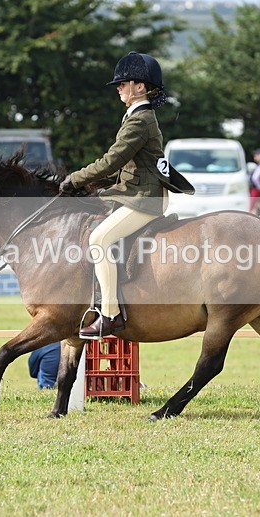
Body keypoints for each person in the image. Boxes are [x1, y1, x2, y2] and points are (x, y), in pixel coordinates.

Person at [58, 51, 194, 339]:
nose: (118, 88)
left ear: (140, 87)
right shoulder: (135, 117)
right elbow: (125, 167)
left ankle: (110, 314)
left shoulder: (139, 121)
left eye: (123, 83)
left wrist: (75, 179)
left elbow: (112, 160)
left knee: (99, 239)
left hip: (143, 198)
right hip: (135, 193)